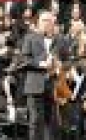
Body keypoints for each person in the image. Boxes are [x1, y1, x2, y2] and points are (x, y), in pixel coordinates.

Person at [21, 10, 69, 140]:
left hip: (54, 86)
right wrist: (42, 64)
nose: (47, 23)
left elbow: (68, 61)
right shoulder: (30, 38)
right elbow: (24, 60)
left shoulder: (61, 39)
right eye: (44, 20)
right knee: (36, 121)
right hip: (35, 85)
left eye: (50, 20)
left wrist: (60, 65)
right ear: (38, 22)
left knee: (53, 123)